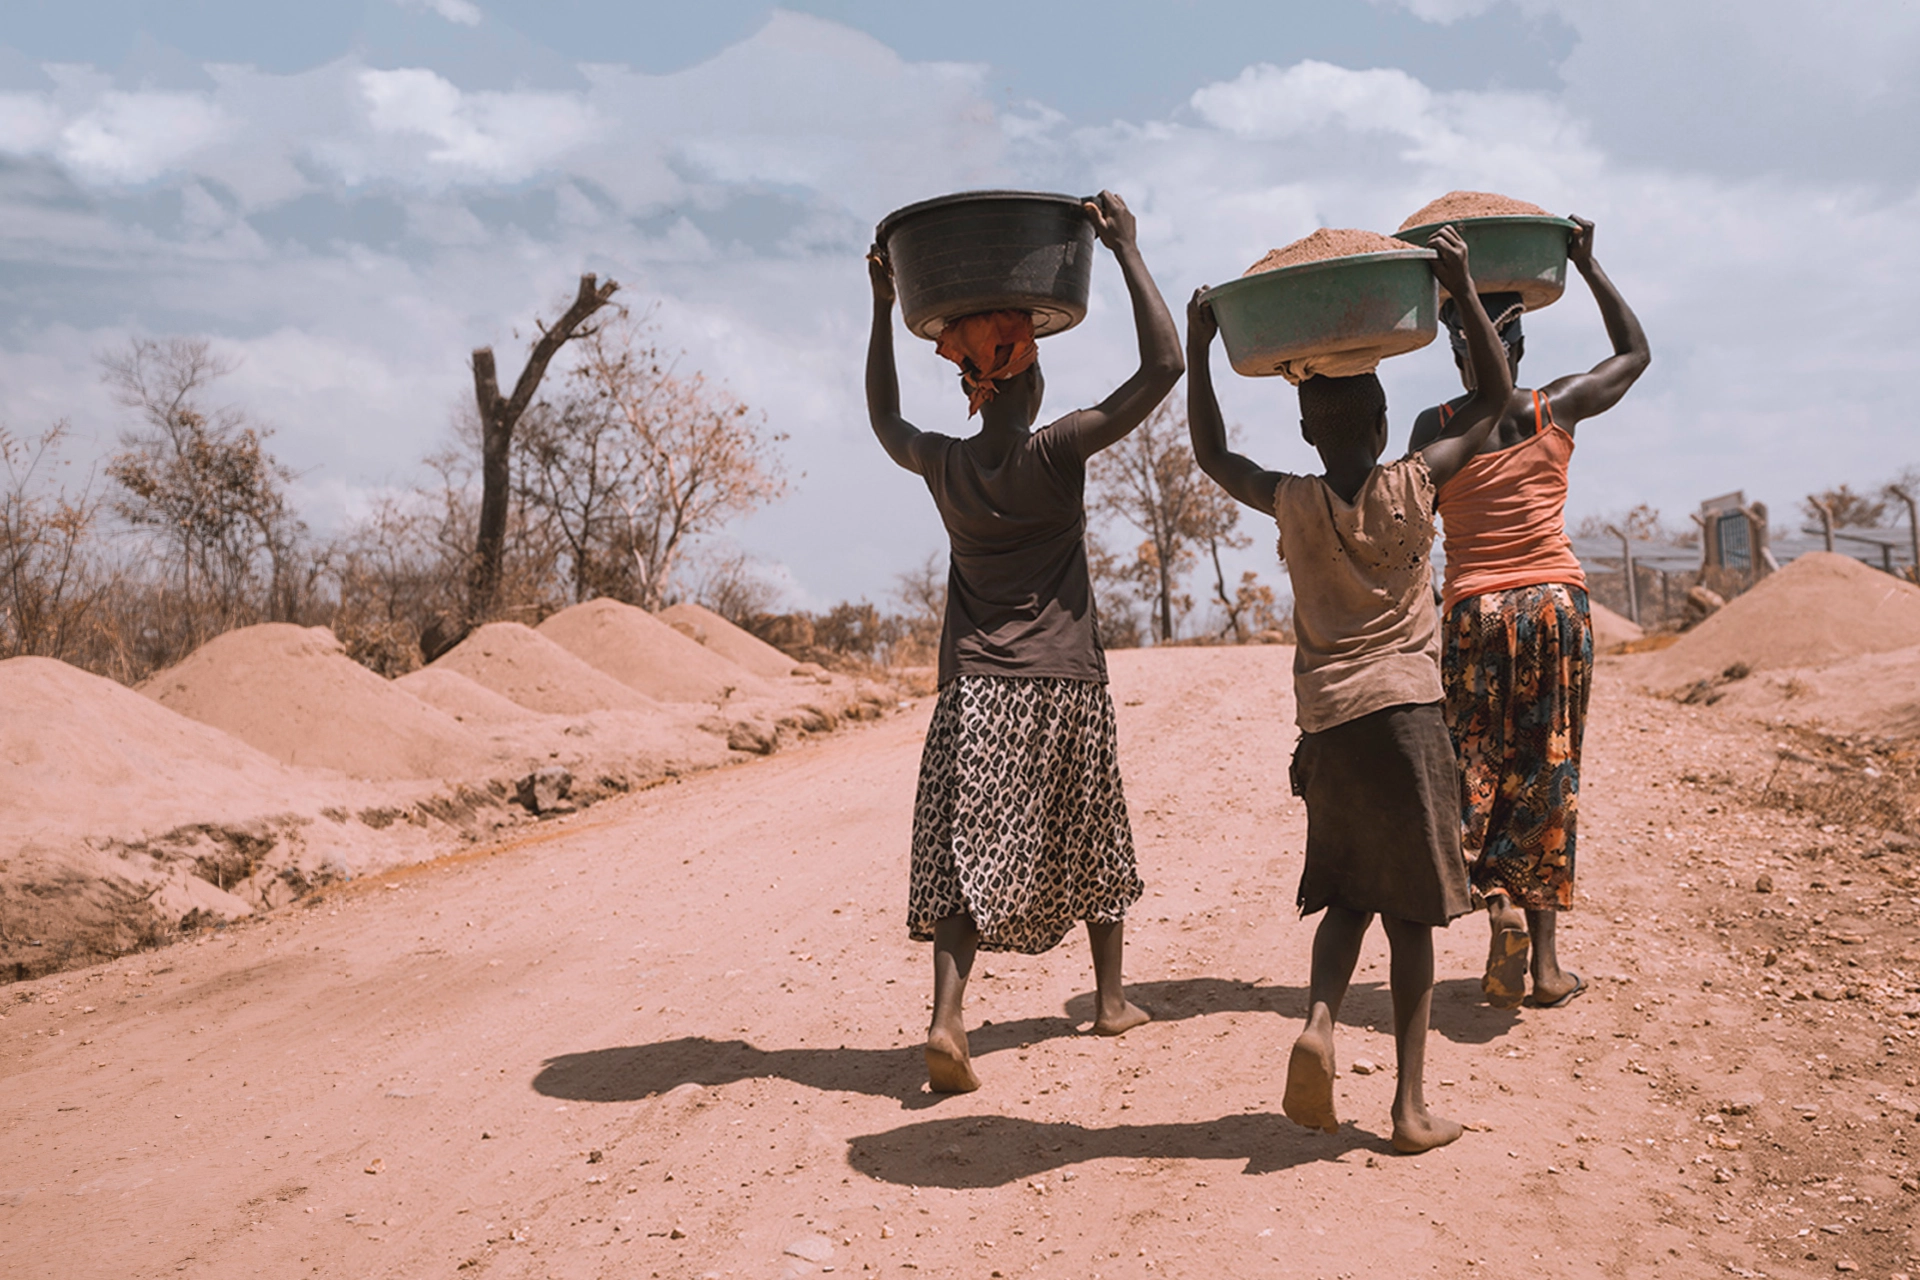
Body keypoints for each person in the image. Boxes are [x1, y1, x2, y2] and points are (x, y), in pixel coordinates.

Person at [1185, 226, 1509, 1153]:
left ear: (1305, 429)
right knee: (1411, 916)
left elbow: (1211, 456)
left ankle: (1320, 1022)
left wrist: (1206, 352)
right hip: (1409, 717)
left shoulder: (1290, 499)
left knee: (1345, 897)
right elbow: (1489, 398)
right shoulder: (1418, 481)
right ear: (1378, 422)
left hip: (1329, 726)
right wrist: (1457, 287)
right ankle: (1407, 1109)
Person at [865, 189, 1183, 1094]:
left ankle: (946, 1019)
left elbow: (884, 419)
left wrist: (883, 307)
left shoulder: (946, 462)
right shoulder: (1058, 451)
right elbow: (1162, 369)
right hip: (1064, 684)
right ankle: (1112, 999)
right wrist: (1126, 249)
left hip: (974, 690)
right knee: (1096, 837)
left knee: (971, 851)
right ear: (1028, 382)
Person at [1407, 217, 1650, 1011]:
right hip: (1557, 606)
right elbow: (1635, 353)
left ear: (1457, 345)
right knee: (1549, 774)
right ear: (1519, 346)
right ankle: (1545, 968)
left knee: (1475, 772)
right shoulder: (1557, 407)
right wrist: (1586, 260)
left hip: (1477, 610)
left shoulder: (1434, 429)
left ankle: (1497, 905)